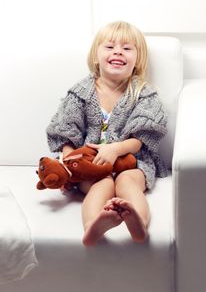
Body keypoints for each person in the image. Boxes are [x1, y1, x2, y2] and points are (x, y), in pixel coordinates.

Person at [46, 21, 167, 246]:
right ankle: (93, 225)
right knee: (101, 186)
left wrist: (115, 149)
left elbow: (142, 138)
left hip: (132, 162)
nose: (118, 51)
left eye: (127, 48)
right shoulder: (81, 93)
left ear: (137, 61)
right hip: (90, 164)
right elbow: (65, 130)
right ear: (96, 57)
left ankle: (138, 222)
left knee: (127, 184)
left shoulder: (144, 94)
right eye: (110, 47)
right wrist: (69, 162)